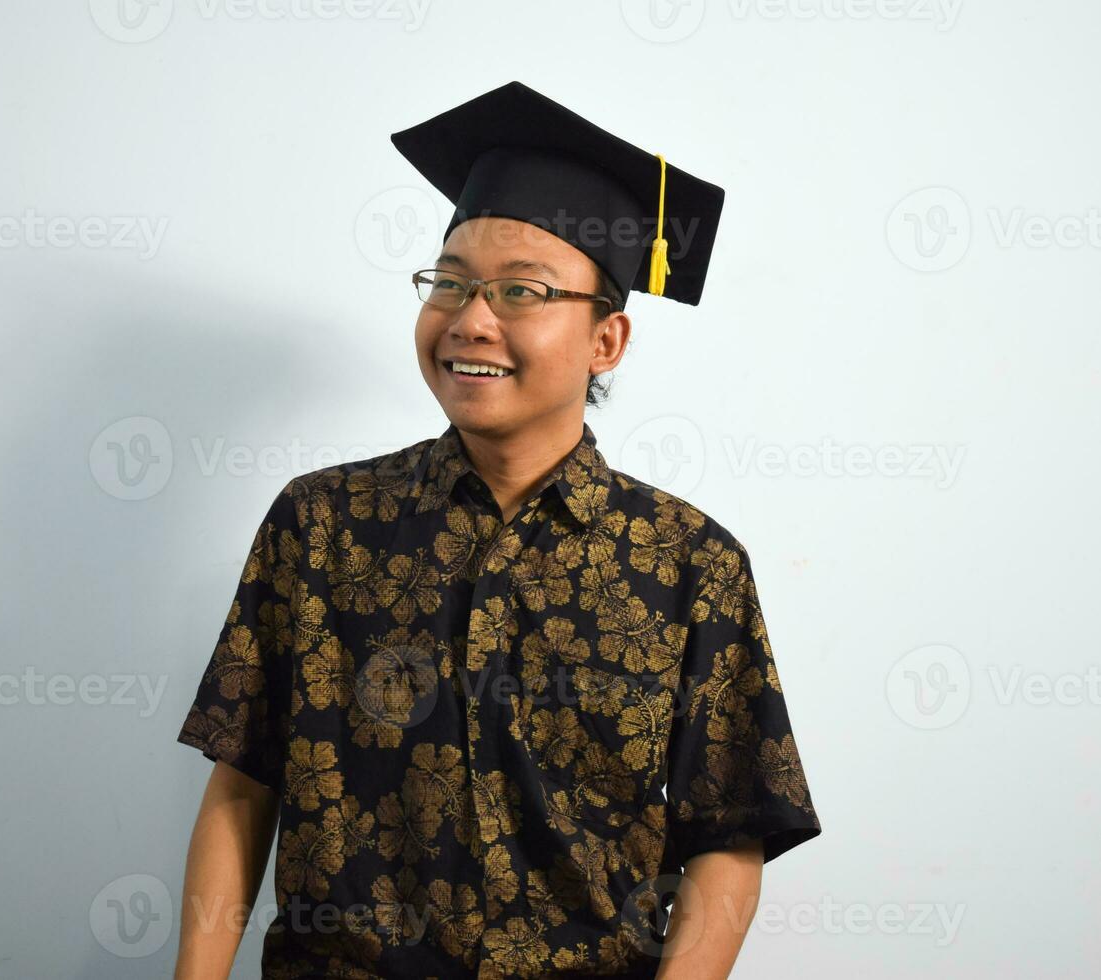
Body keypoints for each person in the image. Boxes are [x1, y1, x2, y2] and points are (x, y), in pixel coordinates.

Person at [174, 80, 822, 979]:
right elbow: (245, 786)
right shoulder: (320, 526)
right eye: (450, 282)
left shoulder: (689, 565)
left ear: (607, 342)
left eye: (522, 290)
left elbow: (729, 834)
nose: (471, 318)